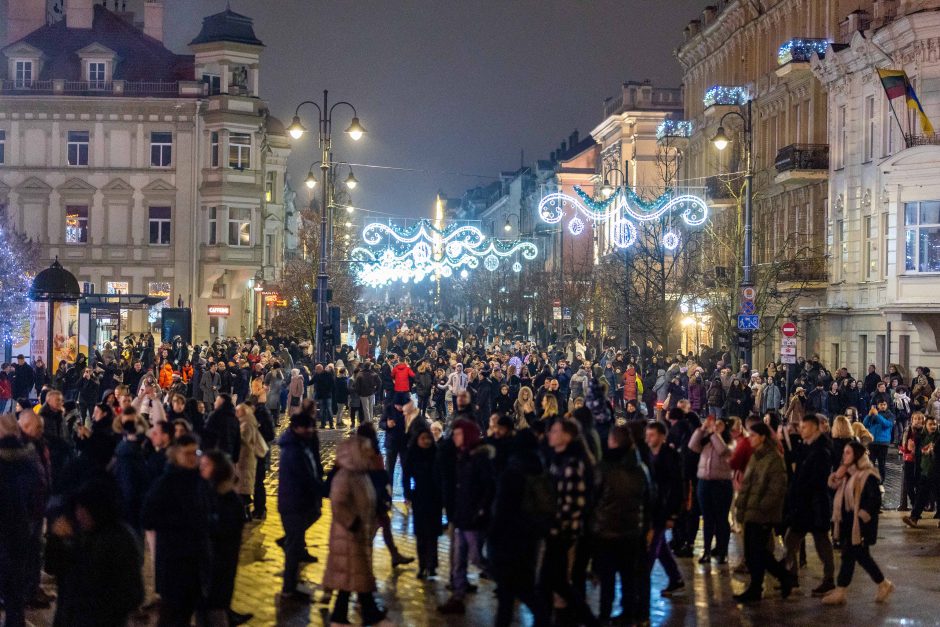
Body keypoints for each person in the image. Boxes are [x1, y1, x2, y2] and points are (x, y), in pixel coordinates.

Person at [46, 479, 145, 627]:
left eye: (82, 509)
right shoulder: (81, 533)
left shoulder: (120, 540)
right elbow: (54, 568)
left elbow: (133, 594)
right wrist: (56, 540)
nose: (78, 515)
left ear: (97, 509)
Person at [140, 434, 211, 626]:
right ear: (175, 454)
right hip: (173, 563)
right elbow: (147, 517)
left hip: (195, 565)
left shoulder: (201, 481)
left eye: (195, 452)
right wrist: (179, 522)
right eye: (186, 453)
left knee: (186, 615)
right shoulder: (166, 483)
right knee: (171, 617)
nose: (191, 457)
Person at [323, 436, 392, 626]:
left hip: (357, 533)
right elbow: (338, 503)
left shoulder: (359, 474)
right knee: (357, 574)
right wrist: (352, 523)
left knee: (352, 576)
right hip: (348, 535)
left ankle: (342, 615)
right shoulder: (345, 476)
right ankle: (369, 613)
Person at [489, 429, 551, 627]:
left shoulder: (512, 471)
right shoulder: (540, 468)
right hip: (530, 536)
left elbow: (502, 510)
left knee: (511, 594)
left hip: (509, 539)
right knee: (522, 589)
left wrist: (493, 539)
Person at [538, 418, 598, 626]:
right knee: (555, 582)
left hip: (562, 533)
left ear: (567, 436)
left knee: (552, 581)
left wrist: (554, 527)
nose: (550, 435)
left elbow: (572, 503)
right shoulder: (559, 459)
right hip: (559, 530)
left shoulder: (571, 464)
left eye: (555, 431)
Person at [592, 425, 651, 624]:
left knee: (607, 581)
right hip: (632, 532)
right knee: (629, 579)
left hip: (607, 532)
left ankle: (604, 616)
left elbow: (594, 499)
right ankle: (628, 615)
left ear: (612, 442)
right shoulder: (640, 469)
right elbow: (650, 499)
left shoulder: (604, 468)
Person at [822, 441, 894, 605]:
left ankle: (841, 591)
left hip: (859, 525)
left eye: (848, 453)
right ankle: (883, 584)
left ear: (857, 455)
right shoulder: (848, 473)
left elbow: (873, 501)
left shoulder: (868, 475)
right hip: (848, 523)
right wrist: (837, 476)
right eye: (844, 453)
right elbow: (833, 490)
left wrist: (862, 518)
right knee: (860, 556)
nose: (844, 456)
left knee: (851, 556)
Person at [437, 419, 496, 615]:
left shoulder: (479, 459)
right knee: (459, 560)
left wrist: (479, 511)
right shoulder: (462, 456)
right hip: (461, 515)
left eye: (459, 434)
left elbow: (488, 489)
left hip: (473, 519)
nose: (454, 437)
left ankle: (509, 582)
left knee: (476, 557)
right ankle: (457, 597)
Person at [733, 422, 795, 602]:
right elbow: (748, 483)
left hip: (763, 513)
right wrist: (742, 505)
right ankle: (767, 583)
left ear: (762, 437)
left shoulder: (773, 458)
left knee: (758, 552)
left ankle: (774, 580)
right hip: (751, 511)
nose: (750, 439)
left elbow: (776, 488)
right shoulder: (757, 457)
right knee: (754, 552)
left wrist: (761, 507)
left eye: (753, 436)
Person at [783, 414, 836, 596]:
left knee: (821, 542)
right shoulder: (807, 446)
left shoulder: (821, 450)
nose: (801, 430)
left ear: (814, 428)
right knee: (791, 540)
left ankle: (828, 579)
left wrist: (800, 491)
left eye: (804, 427)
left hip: (815, 504)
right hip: (804, 503)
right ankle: (792, 578)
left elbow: (816, 479)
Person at [200, 449, 252, 626]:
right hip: (204, 570)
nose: (201, 468)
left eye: (206, 465)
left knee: (215, 613)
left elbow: (222, 536)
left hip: (218, 569)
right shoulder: (206, 493)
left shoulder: (229, 501)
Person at [277, 406, 324, 600]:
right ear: (298, 429)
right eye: (307, 428)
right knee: (294, 546)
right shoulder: (294, 451)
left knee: (295, 541)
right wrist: (323, 488)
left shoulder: (299, 445)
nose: (311, 431)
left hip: (296, 501)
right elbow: (304, 478)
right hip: (294, 502)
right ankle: (289, 587)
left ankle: (287, 542)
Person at [0, 414, 42, 627]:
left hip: (7, 536)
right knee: (14, 598)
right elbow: (37, 494)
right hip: (20, 534)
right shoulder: (28, 459)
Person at [645, 420, 684, 597]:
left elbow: (676, 487)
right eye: (647, 435)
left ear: (662, 436)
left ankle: (640, 585)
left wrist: (673, 514)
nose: (648, 438)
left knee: (651, 549)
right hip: (653, 507)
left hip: (663, 509)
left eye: (652, 435)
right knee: (661, 548)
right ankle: (675, 578)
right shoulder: (648, 454)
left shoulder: (669, 456)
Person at [689, 415, 734, 564]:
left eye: (719, 425)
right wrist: (702, 429)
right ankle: (707, 551)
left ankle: (722, 551)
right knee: (707, 519)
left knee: (721, 519)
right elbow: (692, 446)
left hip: (722, 484)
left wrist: (714, 434)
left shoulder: (731, 442)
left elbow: (723, 451)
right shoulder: (707, 441)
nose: (715, 427)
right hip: (705, 482)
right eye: (715, 424)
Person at [402, 427, 443, 579]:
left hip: (435, 498)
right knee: (420, 534)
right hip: (419, 497)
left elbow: (442, 476)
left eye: (428, 438)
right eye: (423, 438)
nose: (426, 441)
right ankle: (422, 565)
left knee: (433, 535)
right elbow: (406, 476)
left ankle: (432, 565)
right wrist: (408, 494)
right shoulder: (413, 455)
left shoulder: (436, 454)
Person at [902, 415, 939, 529]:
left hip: (937, 471)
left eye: (934, 424)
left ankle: (914, 518)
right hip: (925, 471)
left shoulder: (938, 438)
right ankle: (914, 518)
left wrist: (934, 451)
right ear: (925, 426)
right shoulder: (920, 437)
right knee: (921, 496)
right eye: (930, 424)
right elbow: (917, 454)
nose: (933, 426)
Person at [234, 403, 269, 521]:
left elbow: (244, 440)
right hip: (248, 460)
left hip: (247, 459)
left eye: (238, 411)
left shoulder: (246, 423)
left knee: (249, 486)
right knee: (248, 486)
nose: (236, 413)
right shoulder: (248, 421)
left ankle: (253, 512)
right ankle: (255, 510)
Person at [863, 401, 894, 481]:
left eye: (884, 404)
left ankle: (881, 480)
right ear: (878, 405)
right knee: (870, 463)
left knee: (881, 464)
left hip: (883, 443)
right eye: (881, 404)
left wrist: (877, 415)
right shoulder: (873, 415)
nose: (883, 406)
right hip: (872, 442)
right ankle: (870, 480)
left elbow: (886, 424)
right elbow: (865, 424)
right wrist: (869, 415)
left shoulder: (890, 415)